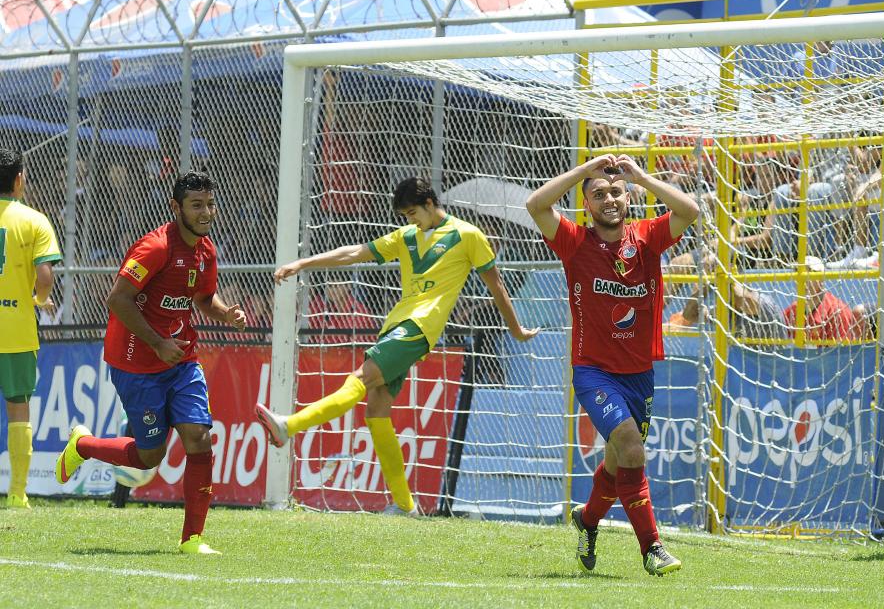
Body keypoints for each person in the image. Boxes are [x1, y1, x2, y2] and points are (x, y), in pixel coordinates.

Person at [256, 177, 538, 516]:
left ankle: (289, 426)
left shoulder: (468, 236)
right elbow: (354, 253)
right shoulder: (405, 238)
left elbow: (497, 286)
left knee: (358, 379)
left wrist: (516, 329)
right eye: (405, 215)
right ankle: (406, 506)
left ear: (430, 203)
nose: (410, 220)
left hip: (420, 329)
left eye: (413, 212)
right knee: (376, 411)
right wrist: (303, 263)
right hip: (396, 325)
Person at [54, 171, 246, 554]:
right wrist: (157, 343)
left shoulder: (206, 249)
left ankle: (193, 539)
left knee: (199, 437)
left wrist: (224, 314)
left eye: (210, 203)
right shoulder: (155, 247)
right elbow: (118, 299)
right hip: (136, 361)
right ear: (176, 208)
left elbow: (204, 299)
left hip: (181, 357)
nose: (206, 211)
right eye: (196, 205)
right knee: (149, 456)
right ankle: (84, 445)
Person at [526, 154, 698, 576]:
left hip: (639, 372)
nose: (608, 199)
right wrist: (584, 172)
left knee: (619, 460)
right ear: (586, 203)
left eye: (615, 192)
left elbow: (690, 211)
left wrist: (641, 177)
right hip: (593, 371)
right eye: (599, 194)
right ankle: (651, 548)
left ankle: (587, 520)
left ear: (627, 198)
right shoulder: (574, 242)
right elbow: (536, 205)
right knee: (632, 446)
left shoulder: (647, 238)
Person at [0, 148, 61, 509]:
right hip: (16, 331)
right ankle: (18, 493)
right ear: (19, 179)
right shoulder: (35, 221)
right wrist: (38, 300)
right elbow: (45, 275)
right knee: (18, 407)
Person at [783, 256, 858, 342]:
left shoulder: (837, 312)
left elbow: (840, 353)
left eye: (810, 274)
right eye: (799, 273)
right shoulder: (792, 311)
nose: (803, 280)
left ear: (822, 279)